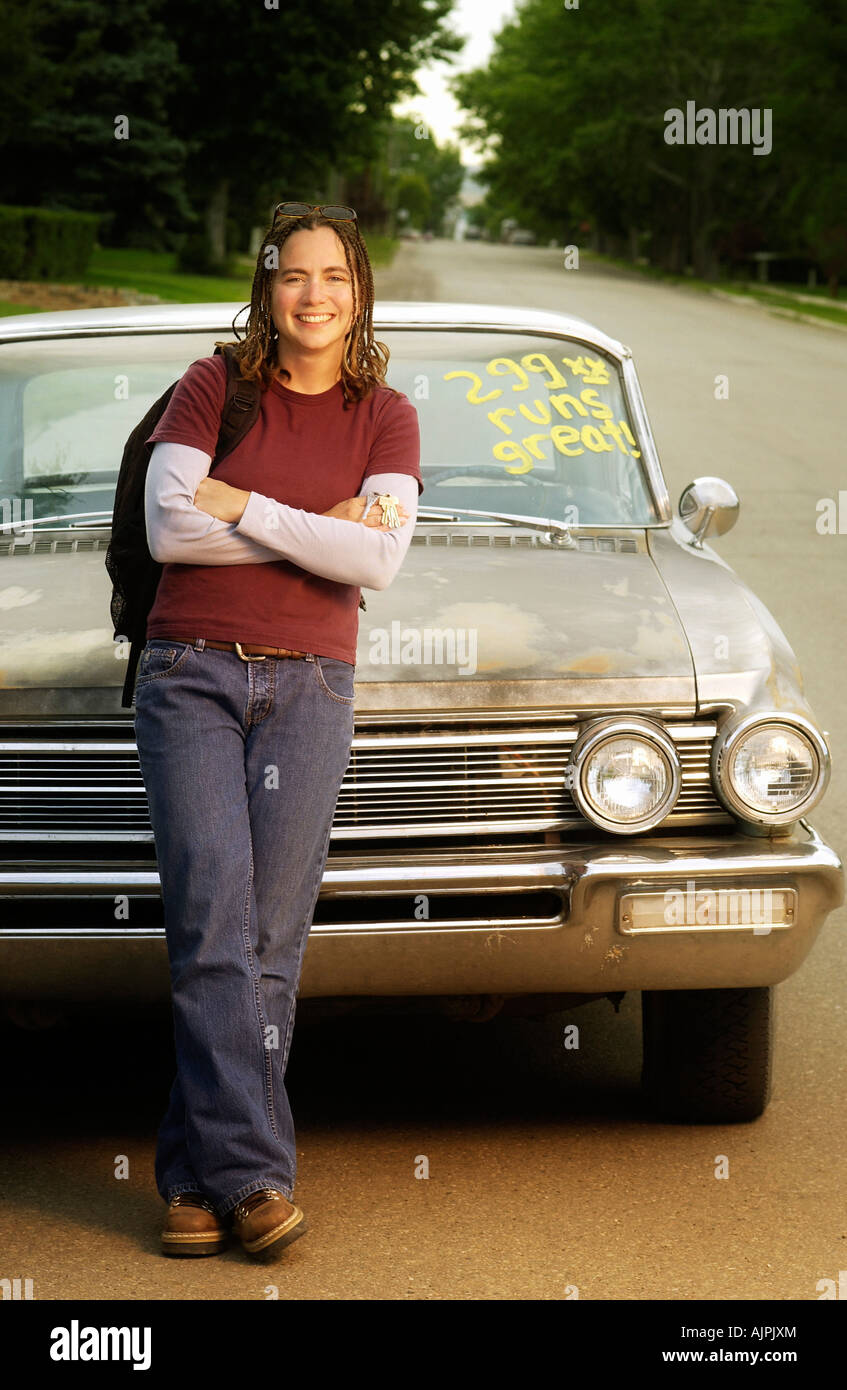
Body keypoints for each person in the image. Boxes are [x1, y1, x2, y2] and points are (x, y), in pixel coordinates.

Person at [133, 201, 422, 1260]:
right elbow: (170, 524)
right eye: (292, 276)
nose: (313, 296)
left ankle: (192, 1176)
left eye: (333, 277)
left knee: (268, 943)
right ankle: (255, 1177)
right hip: (191, 675)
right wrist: (318, 529)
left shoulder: (385, 414)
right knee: (212, 923)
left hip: (312, 687)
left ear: (359, 290)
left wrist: (241, 505)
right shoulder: (214, 383)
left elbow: (379, 561)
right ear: (267, 288)